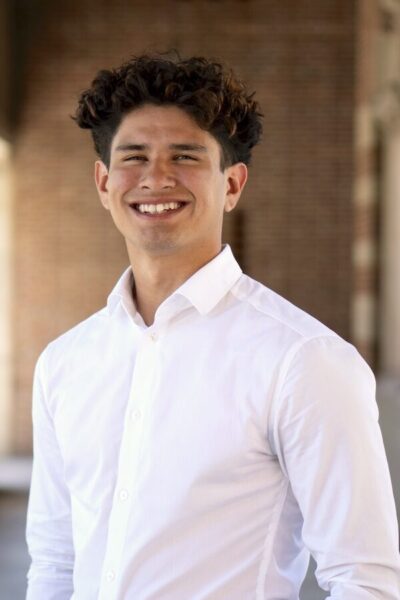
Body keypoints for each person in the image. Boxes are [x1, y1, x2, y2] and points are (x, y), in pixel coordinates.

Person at [25, 50, 400, 600]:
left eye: (185, 156)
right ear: (104, 182)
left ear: (232, 183)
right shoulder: (65, 362)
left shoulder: (303, 360)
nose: (156, 177)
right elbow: (56, 564)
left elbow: (363, 580)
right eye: (134, 156)